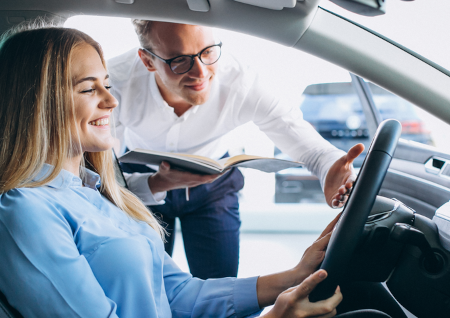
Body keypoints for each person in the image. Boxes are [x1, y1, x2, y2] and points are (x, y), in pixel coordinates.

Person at [0, 27, 415, 318]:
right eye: (87, 89)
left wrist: (293, 277)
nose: (111, 100)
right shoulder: (24, 211)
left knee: (364, 301)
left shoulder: (95, 193)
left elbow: (183, 297)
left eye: (107, 85)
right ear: (38, 102)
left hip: (211, 192)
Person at [109, 20, 363, 279]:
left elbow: (310, 149)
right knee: (143, 285)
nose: (200, 72)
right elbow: (94, 173)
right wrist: (153, 183)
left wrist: (331, 167)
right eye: (180, 60)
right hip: (137, 182)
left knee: (219, 284)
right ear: (148, 61)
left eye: (207, 51)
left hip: (214, 185)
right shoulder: (114, 83)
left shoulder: (242, 82)